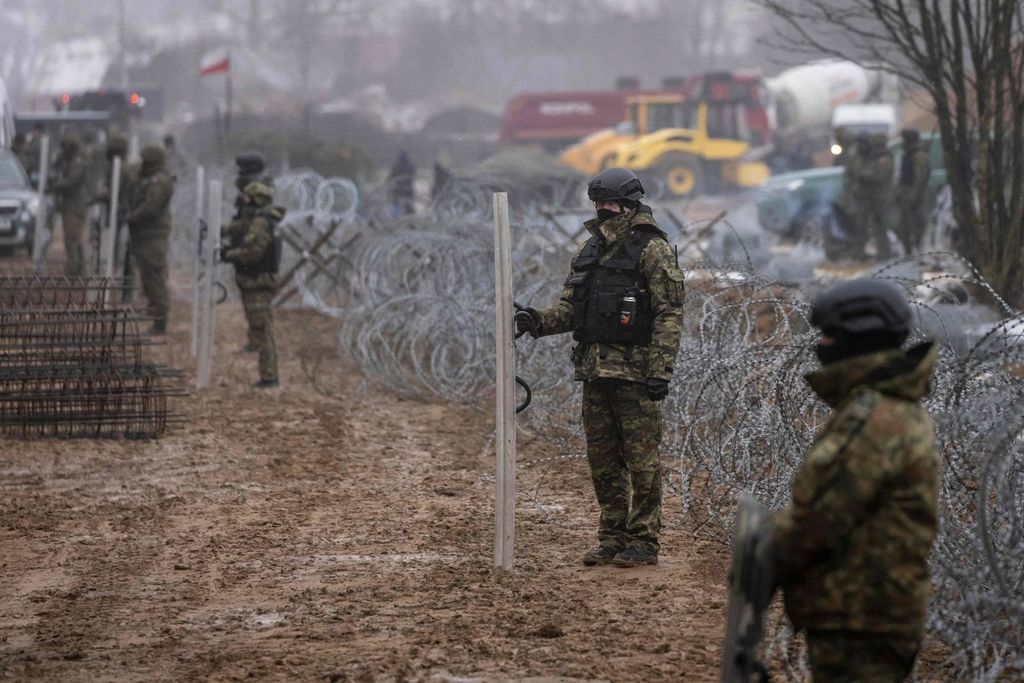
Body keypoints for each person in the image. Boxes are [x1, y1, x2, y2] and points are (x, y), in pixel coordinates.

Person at [515, 167, 685, 568]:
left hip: (636, 374)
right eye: (598, 203)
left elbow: (669, 314)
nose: (602, 210)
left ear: (629, 205)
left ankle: (643, 541)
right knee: (603, 462)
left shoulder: (652, 249)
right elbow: (572, 311)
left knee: (642, 462)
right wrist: (537, 321)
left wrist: (660, 370)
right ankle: (611, 536)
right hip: (595, 372)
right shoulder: (590, 250)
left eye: (609, 203)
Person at [771, 278, 939, 682]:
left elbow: (820, 519)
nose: (821, 345)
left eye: (829, 336)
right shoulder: (882, 406)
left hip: (863, 618)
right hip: (866, 611)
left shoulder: (875, 418)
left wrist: (764, 555)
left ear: (855, 340)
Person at [221, 181, 282, 388]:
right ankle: (268, 375)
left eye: (248, 198)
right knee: (259, 327)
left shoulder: (262, 223)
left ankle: (269, 377)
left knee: (263, 329)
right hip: (255, 281)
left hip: (258, 281)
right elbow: (240, 227)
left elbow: (252, 254)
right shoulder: (259, 219)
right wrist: (221, 230)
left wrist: (228, 255)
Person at [125, 144, 174, 334]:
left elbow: (151, 208)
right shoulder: (146, 178)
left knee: (154, 277)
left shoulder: (159, 181)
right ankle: (156, 314)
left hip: (153, 236)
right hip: (144, 235)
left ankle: (160, 320)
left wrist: (131, 217)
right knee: (147, 277)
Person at [48, 131, 88, 276]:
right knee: (71, 239)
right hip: (68, 205)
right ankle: (77, 270)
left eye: (66, 147)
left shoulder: (77, 162)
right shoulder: (65, 160)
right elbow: (55, 171)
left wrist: (55, 185)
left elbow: (71, 183)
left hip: (75, 206)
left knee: (73, 239)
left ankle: (74, 272)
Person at [895, 129, 931, 255]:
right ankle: (908, 252)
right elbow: (902, 176)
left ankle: (919, 250)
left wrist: (914, 197)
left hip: (916, 195)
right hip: (906, 193)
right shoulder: (907, 154)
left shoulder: (919, 156)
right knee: (904, 226)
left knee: (918, 224)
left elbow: (920, 179)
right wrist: (899, 193)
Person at [387, 149, 415, 217]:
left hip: (399, 191)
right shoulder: (410, 166)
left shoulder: (397, 166)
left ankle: (398, 218)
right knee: (407, 207)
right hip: (406, 191)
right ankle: (410, 219)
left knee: (398, 207)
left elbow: (391, 178)